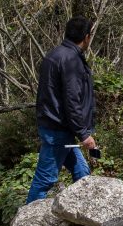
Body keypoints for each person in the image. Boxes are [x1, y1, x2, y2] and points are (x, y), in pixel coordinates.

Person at [26, 16, 97, 203]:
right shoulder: (70, 60)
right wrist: (83, 134)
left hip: (59, 128)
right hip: (58, 130)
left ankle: (82, 214)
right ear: (86, 37)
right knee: (44, 180)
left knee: (82, 172)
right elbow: (71, 100)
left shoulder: (55, 54)